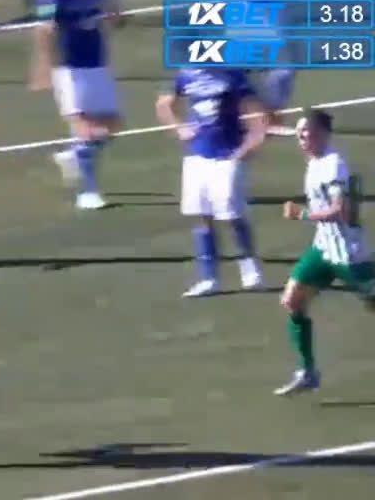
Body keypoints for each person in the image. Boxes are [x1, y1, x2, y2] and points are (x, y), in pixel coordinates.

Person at [275, 109, 375, 396]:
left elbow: (338, 211)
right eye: (298, 132)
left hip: (350, 256)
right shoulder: (315, 162)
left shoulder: (333, 165)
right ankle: (307, 372)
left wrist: (301, 214)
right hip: (323, 249)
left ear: (321, 133)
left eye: (306, 131)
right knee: (292, 300)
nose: (301, 136)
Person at [155, 69, 267, 297]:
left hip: (229, 155)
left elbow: (257, 113)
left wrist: (250, 145)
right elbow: (164, 103)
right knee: (201, 215)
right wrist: (178, 128)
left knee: (232, 214)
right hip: (197, 157)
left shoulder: (233, 75)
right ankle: (208, 278)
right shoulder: (186, 74)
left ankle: (248, 266)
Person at [32, 0, 125, 210]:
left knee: (113, 126)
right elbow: (44, 30)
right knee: (84, 128)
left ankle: (75, 154)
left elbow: (116, 19)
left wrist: (115, 12)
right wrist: (43, 67)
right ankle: (87, 192)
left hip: (97, 63)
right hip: (68, 68)